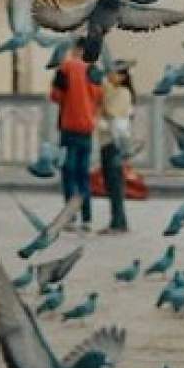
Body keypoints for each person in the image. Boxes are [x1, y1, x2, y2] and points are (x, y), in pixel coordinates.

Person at [49, 40, 102, 232]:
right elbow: (99, 96)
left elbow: (56, 96)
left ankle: (70, 217)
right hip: (87, 128)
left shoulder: (65, 67)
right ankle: (87, 218)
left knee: (69, 173)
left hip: (69, 127)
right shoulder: (94, 70)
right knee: (83, 175)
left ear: (74, 50)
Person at [97, 61, 136, 235]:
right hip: (107, 141)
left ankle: (119, 222)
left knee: (115, 183)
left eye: (113, 73)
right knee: (110, 183)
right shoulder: (114, 91)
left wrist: (102, 104)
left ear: (122, 76)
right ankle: (116, 220)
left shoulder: (123, 92)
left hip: (115, 142)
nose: (109, 77)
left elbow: (112, 112)